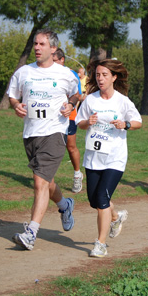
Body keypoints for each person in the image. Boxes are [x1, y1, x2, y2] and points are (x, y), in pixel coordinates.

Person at [8, 29, 79, 250]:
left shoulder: (65, 73)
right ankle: (65, 204)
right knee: (46, 182)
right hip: (31, 134)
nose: (37, 48)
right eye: (35, 44)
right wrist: (16, 105)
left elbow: (76, 94)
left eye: (42, 44)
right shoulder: (24, 72)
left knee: (39, 183)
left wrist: (71, 104)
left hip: (55, 132)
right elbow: (13, 95)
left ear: (53, 49)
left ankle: (31, 233)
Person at [75, 59, 142, 258]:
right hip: (93, 158)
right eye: (97, 75)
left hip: (115, 158)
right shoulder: (91, 100)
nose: (100, 78)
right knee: (94, 200)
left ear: (114, 77)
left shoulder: (122, 101)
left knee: (103, 199)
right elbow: (79, 122)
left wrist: (126, 124)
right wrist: (88, 122)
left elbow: (138, 121)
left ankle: (100, 244)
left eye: (105, 75)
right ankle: (116, 216)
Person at [52, 49, 84, 193]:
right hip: (52, 116)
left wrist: (71, 108)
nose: (52, 63)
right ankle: (47, 179)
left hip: (69, 115)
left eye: (55, 60)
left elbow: (78, 95)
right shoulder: (48, 73)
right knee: (51, 146)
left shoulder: (71, 74)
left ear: (62, 60)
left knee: (70, 146)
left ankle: (77, 174)